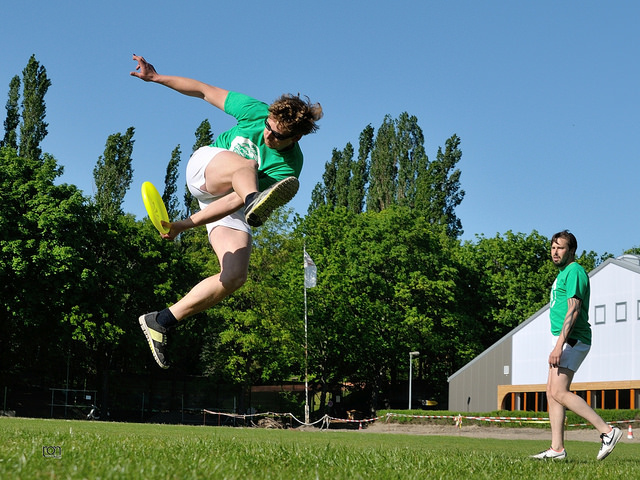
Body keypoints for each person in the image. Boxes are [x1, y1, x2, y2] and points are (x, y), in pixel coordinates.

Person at [130, 54, 323, 369]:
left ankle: (162, 320)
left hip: (234, 198)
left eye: (277, 135)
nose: (268, 135)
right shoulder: (256, 111)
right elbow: (205, 91)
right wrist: (156, 78)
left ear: (296, 137)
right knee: (246, 168)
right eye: (268, 128)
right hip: (207, 168)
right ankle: (255, 202)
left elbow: (231, 202)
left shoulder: (289, 166)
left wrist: (183, 224)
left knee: (234, 276)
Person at [531, 230, 622, 461]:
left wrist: (558, 345)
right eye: (553, 248)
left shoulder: (575, 271)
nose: (555, 252)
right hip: (562, 339)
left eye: (560, 248)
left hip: (572, 339)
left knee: (559, 391)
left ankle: (607, 432)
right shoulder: (563, 274)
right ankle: (557, 449)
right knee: (551, 393)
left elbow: (573, 309)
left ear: (571, 250)